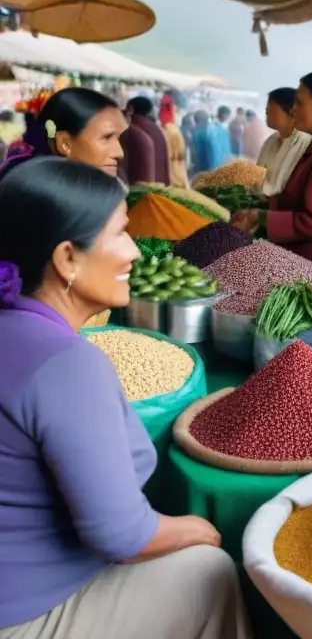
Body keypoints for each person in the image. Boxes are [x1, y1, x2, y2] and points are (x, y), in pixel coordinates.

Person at [0, 158, 251, 639]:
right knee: (209, 566)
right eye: (120, 233)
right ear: (67, 257)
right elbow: (121, 536)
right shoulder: (68, 365)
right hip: (26, 616)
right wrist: (197, 529)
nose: (135, 252)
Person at [233, 71, 312, 270]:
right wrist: (261, 210)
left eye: (300, 104)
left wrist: (262, 217)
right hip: (299, 260)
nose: (294, 111)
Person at [2, 89, 126, 178]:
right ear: (65, 144)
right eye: (106, 137)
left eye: (119, 138)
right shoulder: (38, 195)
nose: (119, 153)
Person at [255, 87, 311, 197]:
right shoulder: (271, 140)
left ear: (292, 112)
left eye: (271, 104)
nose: (267, 109)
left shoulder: (305, 143)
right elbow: (258, 177)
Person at [126, 96, 170, 185]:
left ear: (130, 109)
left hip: (140, 189)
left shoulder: (132, 128)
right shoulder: (156, 129)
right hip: (160, 186)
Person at [190, 109, 231, 175]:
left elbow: (198, 155)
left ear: (197, 121)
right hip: (225, 169)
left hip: (209, 171)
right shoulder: (222, 129)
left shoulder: (198, 133)